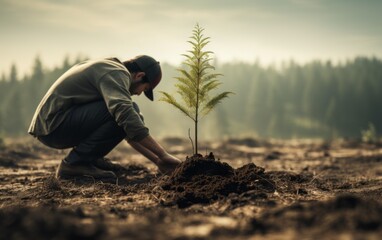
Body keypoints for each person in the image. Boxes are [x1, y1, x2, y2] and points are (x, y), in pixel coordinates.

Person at [28, 55, 181, 180]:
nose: (139, 93)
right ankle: (75, 164)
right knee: (128, 110)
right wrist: (163, 154)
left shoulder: (109, 68)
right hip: (55, 126)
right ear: (140, 76)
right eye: (145, 88)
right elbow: (125, 115)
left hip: (54, 124)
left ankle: (89, 159)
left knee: (126, 112)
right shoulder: (115, 73)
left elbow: (128, 132)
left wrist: (158, 161)